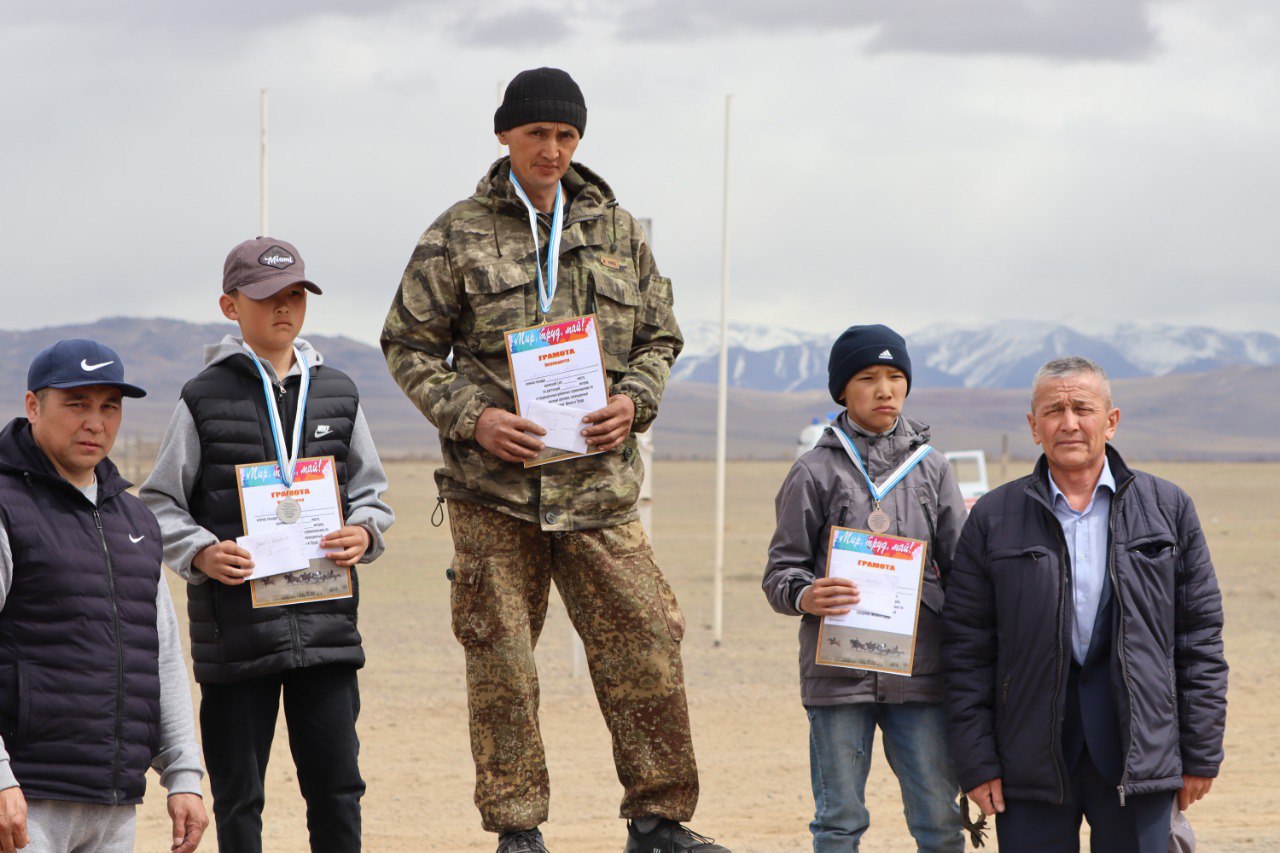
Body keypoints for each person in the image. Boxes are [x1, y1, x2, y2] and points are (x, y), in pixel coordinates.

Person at [381, 67, 727, 853]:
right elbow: (406, 344)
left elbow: (661, 338)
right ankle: (518, 829)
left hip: (600, 492)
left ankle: (659, 819)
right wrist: (475, 418)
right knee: (502, 664)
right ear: (505, 134)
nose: (553, 149)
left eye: (566, 135)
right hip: (493, 493)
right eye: (538, 133)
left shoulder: (620, 231)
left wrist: (633, 400)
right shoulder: (456, 233)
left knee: (646, 644)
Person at [141, 237, 395, 852]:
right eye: (265, 297)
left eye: (294, 295)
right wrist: (200, 551)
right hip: (237, 635)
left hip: (328, 633)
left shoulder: (337, 390)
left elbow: (372, 493)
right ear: (230, 306)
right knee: (239, 798)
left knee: (337, 790)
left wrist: (363, 530)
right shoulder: (202, 397)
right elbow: (159, 502)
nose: (284, 308)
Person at [942, 356, 1227, 852]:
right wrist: (977, 762)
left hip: (1139, 752)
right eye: (1053, 410)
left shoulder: (1168, 508)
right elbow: (966, 650)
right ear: (1033, 427)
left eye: (1083, 408)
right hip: (1028, 755)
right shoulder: (993, 517)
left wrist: (1200, 753)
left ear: (1111, 421)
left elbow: (1198, 639)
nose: (1069, 423)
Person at [762, 325, 967, 852]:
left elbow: (964, 569)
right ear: (842, 391)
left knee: (940, 823)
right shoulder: (811, 472)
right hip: (837, 678)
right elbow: (781, 571)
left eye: (896, 377)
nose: (885, 390)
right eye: (868, 377)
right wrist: (806, 595)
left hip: (922, 674)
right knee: (838, 823)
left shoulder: (934, 469)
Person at [0, 339, 208, 852]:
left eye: (109, 407)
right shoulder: (5, 507)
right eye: (77, 404)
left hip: (114, 802)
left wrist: (183, 773)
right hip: (25, 798)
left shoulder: (135, 520)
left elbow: (160, 654)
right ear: (33, 406)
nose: (95, 423)